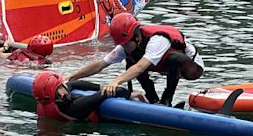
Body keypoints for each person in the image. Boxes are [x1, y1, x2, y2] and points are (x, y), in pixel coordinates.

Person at [67, 12, 204, 107]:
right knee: (132, 60)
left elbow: (140, 67)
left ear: (137, 38)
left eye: (126, 43)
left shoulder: (157, 40)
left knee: (169, 59)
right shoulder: (126, 45)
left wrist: (116, 81)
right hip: (164, 67)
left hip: (191, 68)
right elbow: (100, 64)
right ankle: (153, 100)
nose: (124, 47)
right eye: (122, 44)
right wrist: (71, 77)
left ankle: (166, 101)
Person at [32, 71, 145, 121]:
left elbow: (73, 84)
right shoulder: (75, 107)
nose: (65, 84)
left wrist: (99, 86)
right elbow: (104, 94)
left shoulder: (47, 101)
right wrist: (130, 94)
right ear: (61, 92)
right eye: (62, 84)